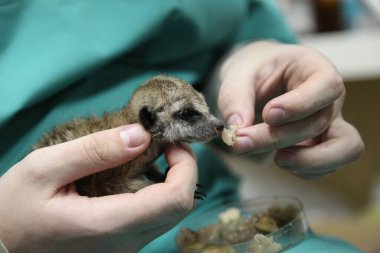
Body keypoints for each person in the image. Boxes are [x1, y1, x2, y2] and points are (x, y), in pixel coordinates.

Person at [0, 1, 364, 252]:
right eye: (191, 117)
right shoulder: (131, 147)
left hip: (207, 214)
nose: (214, 124)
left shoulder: (156, 139)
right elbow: (116, 182)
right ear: (149, 122)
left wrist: (253, 61)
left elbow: (230, 29)